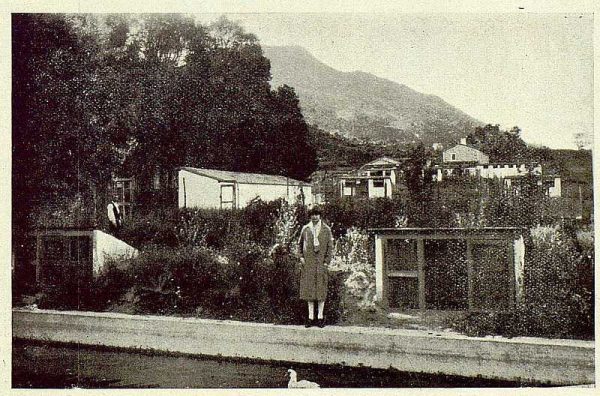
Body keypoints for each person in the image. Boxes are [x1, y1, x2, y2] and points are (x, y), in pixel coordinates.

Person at [297, 207, 334, 328]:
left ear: (320, 216)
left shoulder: (326, 229)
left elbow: (330, 247)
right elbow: (299, 244)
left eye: (317, 215)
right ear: (310, 216)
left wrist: (326, 262)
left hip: (321, 264)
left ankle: (320, 317)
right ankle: (310, 317)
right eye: (312, 215)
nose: (315, 217)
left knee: (321, 290)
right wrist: (301, 257)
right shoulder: (306, 229)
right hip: (309, 264)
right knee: (309, 291)